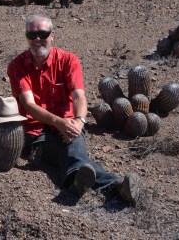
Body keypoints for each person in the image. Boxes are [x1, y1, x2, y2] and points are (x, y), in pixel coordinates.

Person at [7, 14, 140, 203]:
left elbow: (79, 96)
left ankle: (76, 185)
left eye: (43, 34)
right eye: (32, 34)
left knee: (71, 151)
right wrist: (59, 123)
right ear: (26, 36)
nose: (38, 39)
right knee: (70, 156)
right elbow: (29, 105)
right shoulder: (17, 66)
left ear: (52, 35)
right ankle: (115, 186)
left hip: (70, 124)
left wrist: (79, 121)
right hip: (36, 131)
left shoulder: (68, 60)